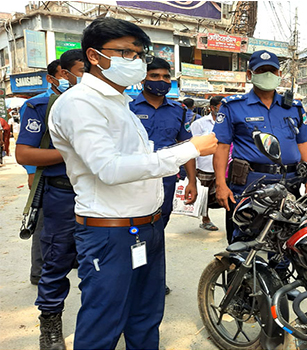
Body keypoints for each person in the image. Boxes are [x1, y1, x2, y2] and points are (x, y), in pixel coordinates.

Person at [48, 17, 217, 349]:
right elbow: (109, 169)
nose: (136, 61)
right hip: (109, 232)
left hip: (147, 228)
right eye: (125, 52)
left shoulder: (120, 103)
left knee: (145, 318)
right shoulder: (80, 103)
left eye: (139, 53)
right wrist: (189, 149)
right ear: (94, 57)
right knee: (103, 325)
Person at [15, 49, 84, 350]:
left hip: (102, 196)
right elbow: (24, 153)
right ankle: (50, 326)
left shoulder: (113, 105)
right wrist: (75, 153)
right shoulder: (42, 105)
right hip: (63, 193)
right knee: (55, 261)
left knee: (98, 262)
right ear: (62, 75)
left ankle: (96, 323)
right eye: (81, 71)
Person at [213, 49, 307, 242]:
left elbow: (304, 143)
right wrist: (220, 184)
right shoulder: (233, 106)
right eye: (262, 70)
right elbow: (222, 147)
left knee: (284, 241)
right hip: (250, 182)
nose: (268, 75)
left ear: (279, 74)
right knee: (245, 240)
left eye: (272, 70)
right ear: (250, 74)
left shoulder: (294, 107)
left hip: (289, 181)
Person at [129, 57, 198, 228]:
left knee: (161, 221)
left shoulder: (179, 110)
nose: (162, 81)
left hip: (166, 178)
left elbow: (186, 146)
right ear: (143, 79)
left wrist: (192, 181)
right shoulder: (128, 108)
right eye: (155, 76)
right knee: (133, 224)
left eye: (166, 77)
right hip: (133, 177)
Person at [190, 95, 223, 231]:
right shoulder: (200, 124)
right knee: (204, 195)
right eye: (221, 108)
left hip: (222, 166)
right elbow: (193, 146)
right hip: (205, 166)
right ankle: (205, 219)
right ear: (212, 108)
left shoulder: (228, 123)